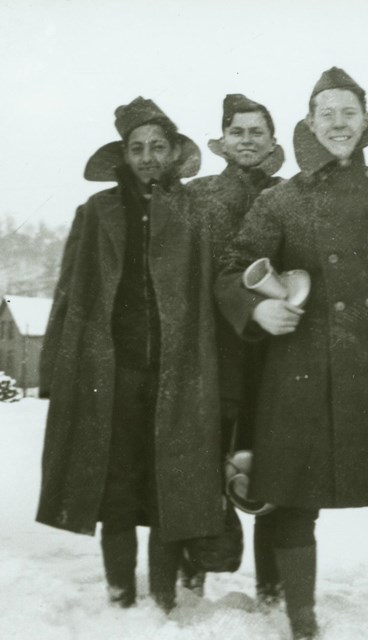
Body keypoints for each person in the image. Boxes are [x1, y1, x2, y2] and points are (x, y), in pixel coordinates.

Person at [215, 67, 368, 640]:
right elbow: (234, 267)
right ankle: (303, 626)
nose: (340, 123)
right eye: (328, 113)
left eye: (350, 113)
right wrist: (257, 309)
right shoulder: (282, 201)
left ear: (366, 122)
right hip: (301, 376)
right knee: (296, 504)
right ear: (310, 123)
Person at [36, 97, 225, 612]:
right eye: (137, 148)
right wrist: (54, 368)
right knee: (114, 485)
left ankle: (164, 594)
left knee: (172, 484)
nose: (146, 157)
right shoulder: (96, 213)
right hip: (110, 374)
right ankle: (120, 593)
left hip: (178, 373)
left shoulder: (196, 211)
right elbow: (68, 294)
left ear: (173, 154)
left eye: (157, 147)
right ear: (124, 154)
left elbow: (212, 291)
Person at [186, 93, 285, 602]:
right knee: (205, 460)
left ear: (273, 141)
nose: (247, 140)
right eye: (238, 131)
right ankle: (195, 575)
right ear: (222, 140)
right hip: (211, 351)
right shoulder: (196, 196)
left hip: (275, 353)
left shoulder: (291, 194)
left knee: (270, 463)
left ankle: (272, 583)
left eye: (257, 132)